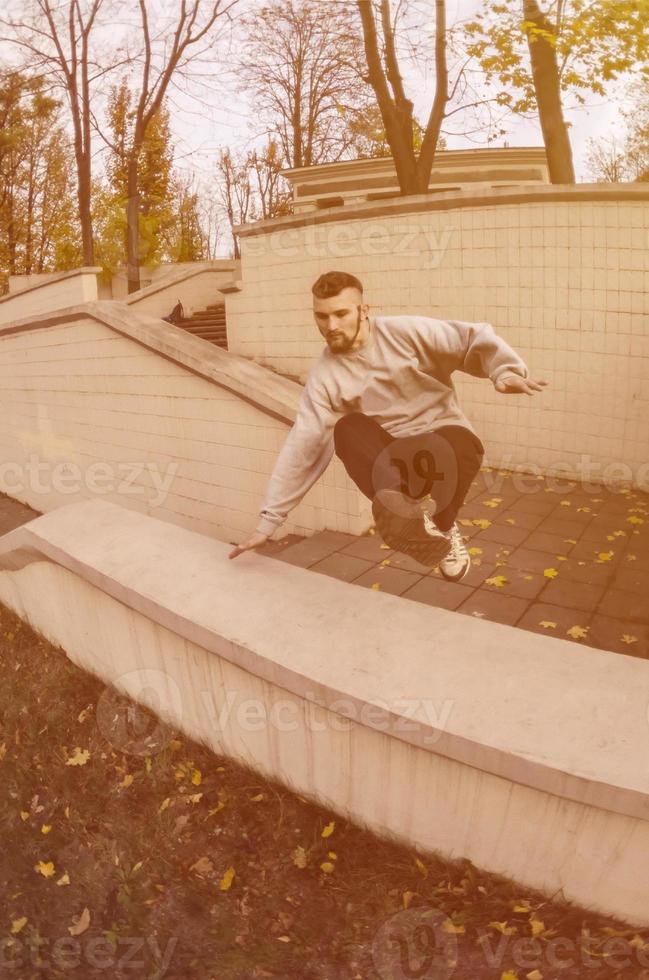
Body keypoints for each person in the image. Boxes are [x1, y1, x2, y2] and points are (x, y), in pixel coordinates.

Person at [228, 270, 548, 579]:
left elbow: (470, 338)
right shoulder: (325, 375)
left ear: (364, 310)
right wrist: (268, 521)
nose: (331, 326)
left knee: (463, 443)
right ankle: (402, 516)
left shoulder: (405, 333)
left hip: (441, 447)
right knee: (347, 429)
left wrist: (504, 371)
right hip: (392, 465)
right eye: (321, 316)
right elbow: (305, 444)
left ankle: (443, 529)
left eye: (341, 314)